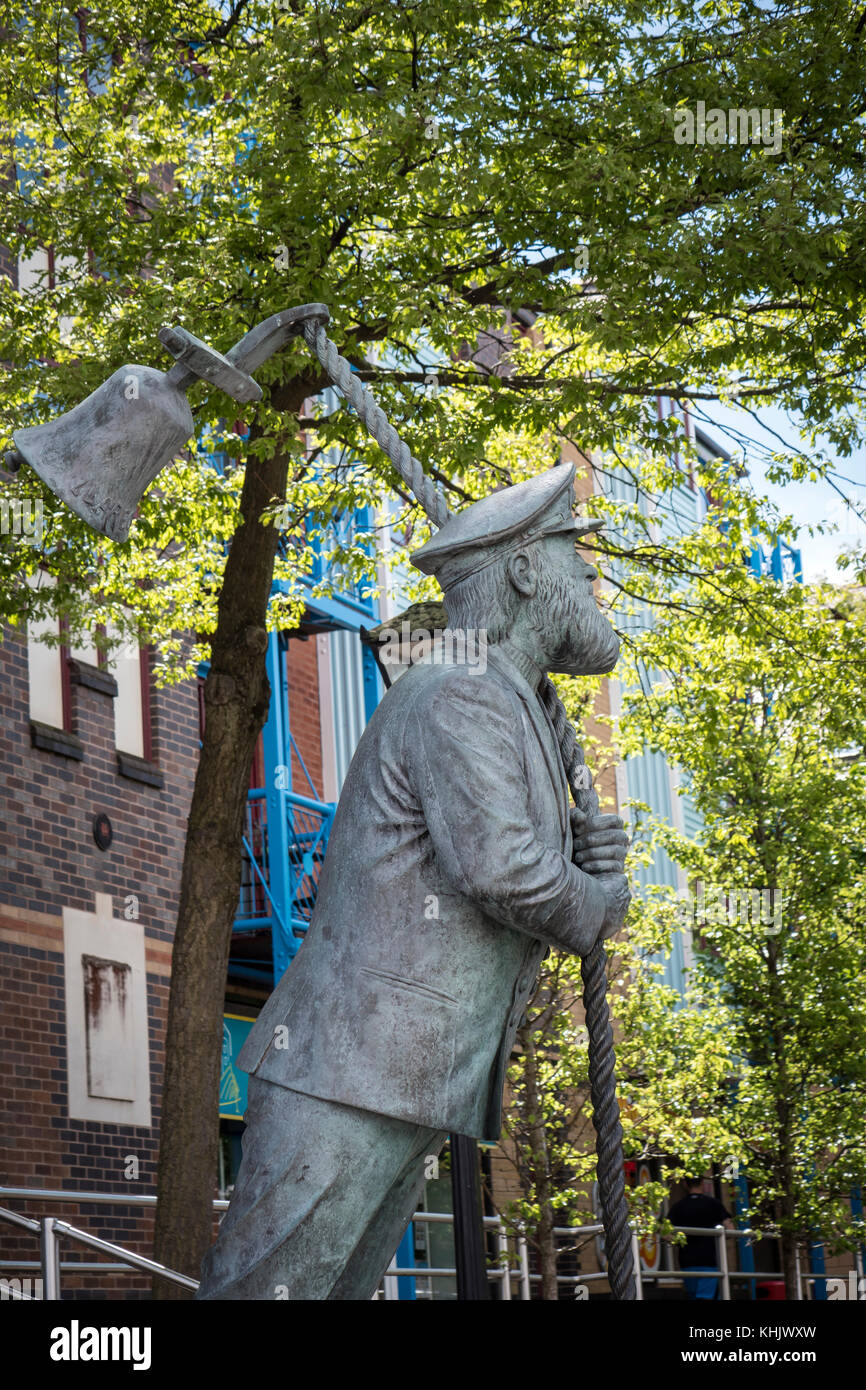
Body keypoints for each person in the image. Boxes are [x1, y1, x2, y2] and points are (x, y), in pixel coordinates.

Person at [196, 461, 631, 1300]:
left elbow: (517, 860)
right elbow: (503, 869)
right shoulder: (462, 694)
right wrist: (597, 903)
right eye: (578, 562)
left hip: (395, 1077)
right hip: (353, 1070)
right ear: (524, 571)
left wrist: (588, 858)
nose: (589, 581)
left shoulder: (507, 698)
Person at [668, 1178, 733, 1300]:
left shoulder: (678, 1207)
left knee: (693, 1296)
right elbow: (730, 1229)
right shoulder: (714, 1204)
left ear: (685, 1184)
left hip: (687, 1261)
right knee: (706, 1296)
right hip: (709, 1260)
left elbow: (665, 1233)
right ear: (702, 1183)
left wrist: (679, 1240)